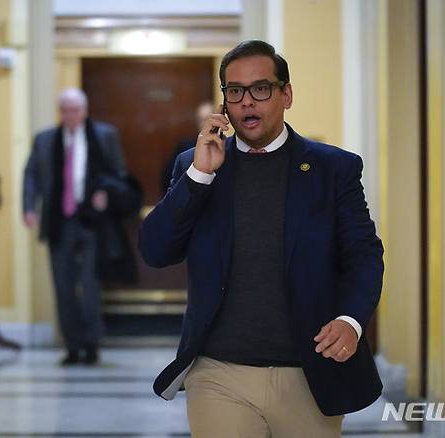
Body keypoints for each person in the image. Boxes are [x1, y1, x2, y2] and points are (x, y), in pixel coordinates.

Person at [139, 40, 384, 437]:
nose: (247, 102)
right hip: (219, 372)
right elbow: (156, 250)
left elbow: (364, 255)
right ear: (224, 103)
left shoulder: (332, 168)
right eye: (235, 91)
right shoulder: (196, 164)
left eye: (261, 89)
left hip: (309, 373)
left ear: (286, 94)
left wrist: (351, 319)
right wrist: (199, 176)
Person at [23, 88, 133, 366]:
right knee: (63, 286)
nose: (69, 115)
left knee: (90, 284)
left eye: (74, 110)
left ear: (84, 111)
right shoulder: (45, 140)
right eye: (64, 110)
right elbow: (31, 175)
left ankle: (92, 345)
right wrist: (28, 207)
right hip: (59, 222)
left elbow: (119, 173)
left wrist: (106, 193)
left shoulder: (104, 136)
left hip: (91, 222)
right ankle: (71, 346)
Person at [160, 101, 214, 195]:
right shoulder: (185, 148)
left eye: (207, 119)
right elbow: (168, 179)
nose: (204, 124)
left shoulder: (226, 147)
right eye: (200, 120)